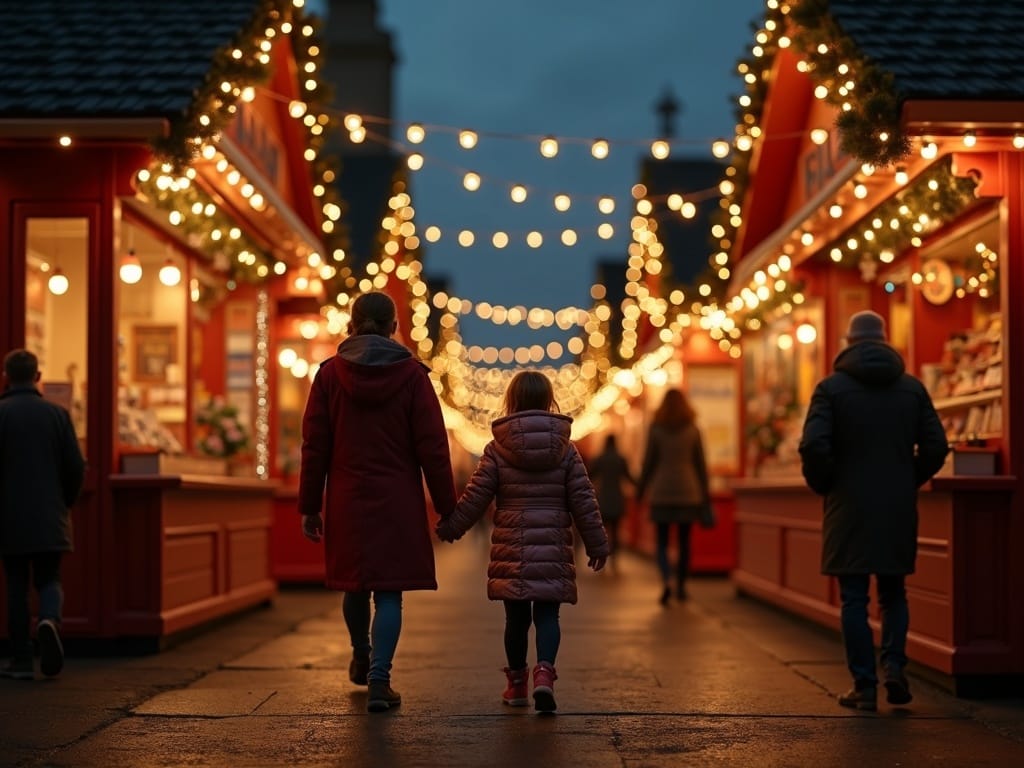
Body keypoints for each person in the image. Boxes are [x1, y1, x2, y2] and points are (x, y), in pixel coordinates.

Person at [297, 291, 456, 713]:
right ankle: (380, 680)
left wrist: (309, 504)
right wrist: (447, 507)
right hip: (397, 497)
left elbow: (314, 445)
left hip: (347, 495)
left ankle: (360, 651)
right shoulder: (413, 377)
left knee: (355, 583)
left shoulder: (329, 376)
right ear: (394, 327)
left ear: (351, 325)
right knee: (389, 594)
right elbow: (433, 448)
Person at [799, 310, 948, 712]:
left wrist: (826, 483)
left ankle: (864, 687)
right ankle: (895, 669)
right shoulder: (912, 389)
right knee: (894, 592)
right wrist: (908, 478)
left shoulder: (830, 389)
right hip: (897, 506)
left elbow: (814, 446)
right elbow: (936, 445)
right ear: (884, 342)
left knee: (853, 598)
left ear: (848, 343)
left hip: (848, 507)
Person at [435, 370, 609, 713]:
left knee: (515, 620)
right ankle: (544, 676)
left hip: (511, 548)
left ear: (511, 401)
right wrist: (597, 543)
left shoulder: (497, 448)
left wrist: (452, 527)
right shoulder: (566, 450)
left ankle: (516, 686)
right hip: (553, 546)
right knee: (548, 617)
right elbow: (583, 500)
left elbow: (476, 497)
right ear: (549, 401)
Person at [0, 349, 85, 680]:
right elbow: (76, 467)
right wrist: (65, 501)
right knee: (50, 578)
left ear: (7, 376)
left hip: (9, 517)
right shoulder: (57, 415)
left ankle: (21, 659)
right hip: (50, 513)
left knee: (16, 584)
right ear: (38, 377)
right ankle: (49, 619)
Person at [636, 388, 710, 605]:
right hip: (689, 492)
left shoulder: (656, 428)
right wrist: (705, 495)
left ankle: (666, 580)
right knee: (685, 542)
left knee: (662, 542)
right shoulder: (693, 429)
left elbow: (648, 462)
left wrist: (641, 490)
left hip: (662, 492)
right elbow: (700, 465)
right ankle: (682, 586)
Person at [586, 434, 635, 561]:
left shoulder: (600, 459)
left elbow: (589, 476)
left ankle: (605, 554)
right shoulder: (621, 459)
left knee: (604, 530)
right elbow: (628, 477)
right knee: (616, 530)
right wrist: (641, 486)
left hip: (603, 498)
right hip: (618, 498)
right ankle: (615, 558)